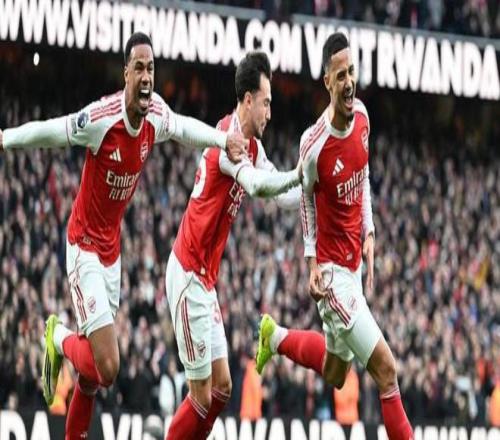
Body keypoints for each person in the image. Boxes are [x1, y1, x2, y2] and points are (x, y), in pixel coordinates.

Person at [0, 32, 247, 440]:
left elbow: (184, 128)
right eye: (139, 68)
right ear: (126, 74)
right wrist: (6, 138)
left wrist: (224, 140)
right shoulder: (103, 118)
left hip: (111, 256)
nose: (147, 76)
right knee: (109, 367)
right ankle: (56, 336)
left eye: (152, 69)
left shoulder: (156, 115)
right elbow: (52, 131)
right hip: (83, 248)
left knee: (91, 378)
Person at [255, 33, 414, 439]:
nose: (348, 82)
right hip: (332, 277)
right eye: (340, 75)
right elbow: (307, 202)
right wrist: (311, 263)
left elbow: (363, 175)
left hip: (353, 265)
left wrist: (369, 230)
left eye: (352, 73)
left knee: (335, 372)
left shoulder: (362, 117)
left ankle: (276, 337)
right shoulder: (313, 144)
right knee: (386, 370)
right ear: (327, 81)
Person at [165, 51, 302, 439]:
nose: (269, 113)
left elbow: (283, 196)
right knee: (201, 396)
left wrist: (313, 183)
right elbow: (258, 186)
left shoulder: (254, 148)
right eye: (266, 103)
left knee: (222, 387)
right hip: (187, 274)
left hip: (205, 281)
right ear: (248, 100)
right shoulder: (228, 140)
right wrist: (301, 174)